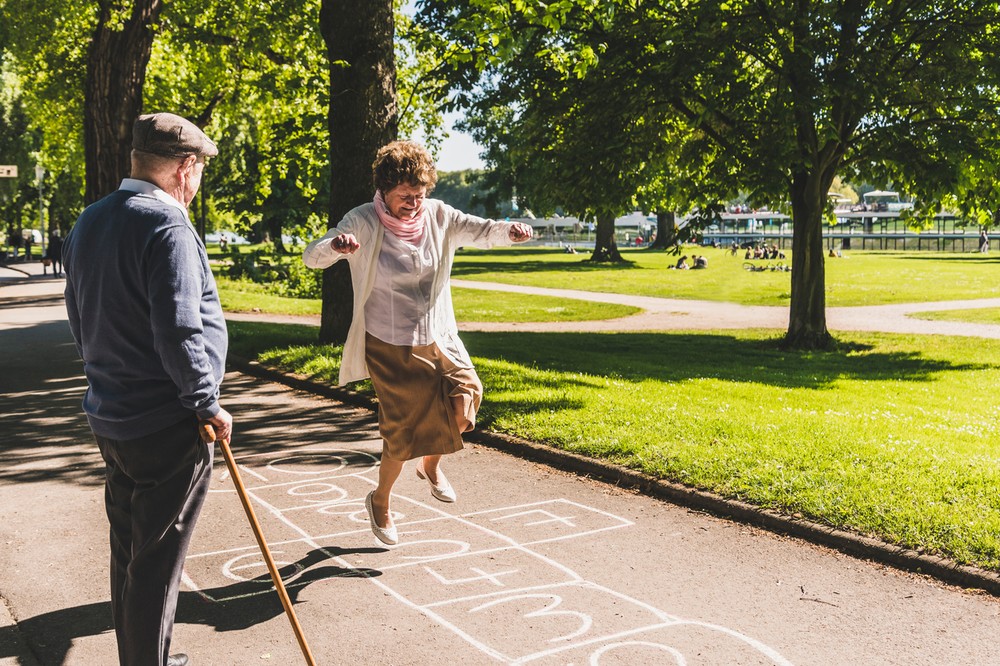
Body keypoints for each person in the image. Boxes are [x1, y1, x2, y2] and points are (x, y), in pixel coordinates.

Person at [302, 140, 532, 546]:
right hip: (389, 343)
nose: (414, 204)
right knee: (402, 433)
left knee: (467, 400)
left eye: (420, 195)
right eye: (405, 197)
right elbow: (312, 255)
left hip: (438, 334)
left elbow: (481, 229)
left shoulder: (439, 216)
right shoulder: (363, 221)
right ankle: (380, 500)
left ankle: (430, 464)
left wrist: (509, 232)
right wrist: (336, 248)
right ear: (384, 190)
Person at [63, 112, 230, 666]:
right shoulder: (168, 226)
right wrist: (205, 401)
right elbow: (180, 328)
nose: (199, 179)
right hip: (166, 421)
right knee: (157, 564)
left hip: (112, 412)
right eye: (200, 168)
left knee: (130, 554)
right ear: (185, 168)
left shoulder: (91, 219)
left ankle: (144, 657)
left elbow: (79, 317)